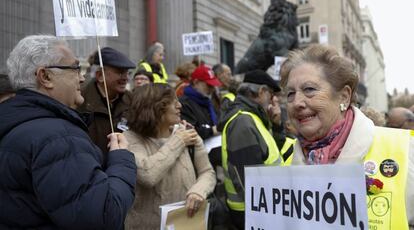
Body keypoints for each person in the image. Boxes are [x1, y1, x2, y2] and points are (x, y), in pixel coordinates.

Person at [0, 35, 136, 229]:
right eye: (74, 68)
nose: (81, 78)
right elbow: (104, 216)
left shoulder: (14, 121)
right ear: (45, 77)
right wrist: (121, 159)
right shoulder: (59, 138)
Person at [279, 44, 413, 229]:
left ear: (343, 96)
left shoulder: (404, 150)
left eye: (309, 89)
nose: (297, 102)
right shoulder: (283, 166)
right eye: (290, 94)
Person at [123, 84, 216, 230]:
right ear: (157, 108)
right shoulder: (129, 139)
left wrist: (199, 191)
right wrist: (178, 141)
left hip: (187, 224)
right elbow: (148, 175)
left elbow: (207, 172)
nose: (180, 106)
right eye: (174, 102)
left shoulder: (187, 133)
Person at [219, 69, 286, 229]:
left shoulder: (253, 117)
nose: (274, 100)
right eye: (271, 94)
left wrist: (276, 126)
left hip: (262, 209)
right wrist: (264, 217)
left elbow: (271, 153)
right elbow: (248, 181)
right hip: (252, 213)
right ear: (261, 92)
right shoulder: (243, 121)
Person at [78, 47, 136, 158]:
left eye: (127, 73)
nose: (125, 78)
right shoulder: (80, 101)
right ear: (100, 76)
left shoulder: (131, 100)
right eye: (119, 72)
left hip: (121, 165)